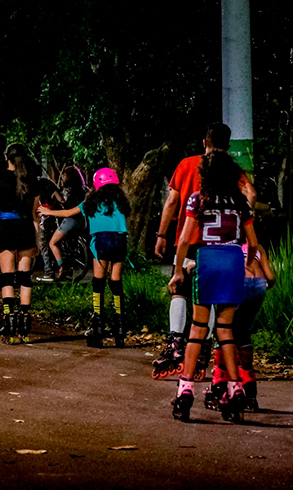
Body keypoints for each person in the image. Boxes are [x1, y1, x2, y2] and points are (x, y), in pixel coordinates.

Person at [152, 123, 257, 378]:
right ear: (228, 145)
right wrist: (242, 220)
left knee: (181, 289)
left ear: (204, 142)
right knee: (215, 301)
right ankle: (206, 352)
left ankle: (177, 342)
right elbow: (250, 194)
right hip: (225, 246)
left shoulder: (188, 164)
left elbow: (171, 201)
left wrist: (162, 234)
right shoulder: (232, 170)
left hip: (192, 242)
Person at [168, 150, 259, 423]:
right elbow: (253, 242)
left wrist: (177, 272)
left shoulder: (199, 199)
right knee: (226, 331)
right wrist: (247, 262)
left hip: (207, 259)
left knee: (197, 330)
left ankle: (185, 390)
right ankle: (236, 389)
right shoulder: (239, 203)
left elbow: (184, 240)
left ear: (205, 175)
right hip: (233, 259)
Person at [39, 167, 131, 348]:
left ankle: (98, 324)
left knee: (98, 282)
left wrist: (48, 212)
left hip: (101, 240)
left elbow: (67, 213)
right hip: (120, 240)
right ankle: (120, 326)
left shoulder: (92, 201)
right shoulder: (121, 202)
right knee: (116, 282)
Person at [205, 243, 275, 413]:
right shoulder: (257, 245)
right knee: (243, 331)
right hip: (258, 286)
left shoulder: (223, 243)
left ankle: (220, 383)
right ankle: (249, 385)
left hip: (235, 283)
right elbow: (271, 278)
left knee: (223, 330)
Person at [0, 143, 40, 344]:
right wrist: (37, 239)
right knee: (25, 277)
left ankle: (9, 323)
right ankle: (25, 323)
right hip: (25, 226)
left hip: (6, 227)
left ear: (6, 157)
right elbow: (35, 213)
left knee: (7, 277)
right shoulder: (31, 180)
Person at [45, 166, 86, 280]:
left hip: (71, 219)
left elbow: (68, 210)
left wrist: (51, 210)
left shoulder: (72, 191)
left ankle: (62, 266)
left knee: (52, 243)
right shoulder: (82, 190)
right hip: (81, 221)